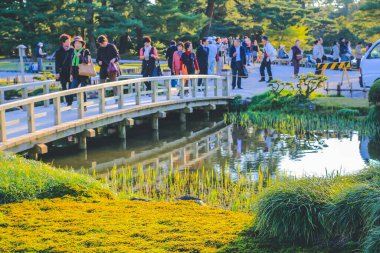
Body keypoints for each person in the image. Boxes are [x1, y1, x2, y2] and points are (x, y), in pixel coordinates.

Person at [69, 36, 91, 109]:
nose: (77, 44)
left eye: (79, 43)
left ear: (82, 44)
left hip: (84, 73)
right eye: (76, 43)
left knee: (83, 90)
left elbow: (88, 61)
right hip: (75, 74)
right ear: (74, 44)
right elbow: (72, 64)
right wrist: (71, 74)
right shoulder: (73, 52)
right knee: (72, 89)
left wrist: (81, 56)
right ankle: (71, 104)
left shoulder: (85, 51)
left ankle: (84, 106)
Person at [55, 34, 74, 105]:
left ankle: (70, 101)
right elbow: (57, 63)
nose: (69, 42)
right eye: (67, 41)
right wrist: (57, 72)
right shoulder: (58, 51)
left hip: (71, 71)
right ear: (63, 42)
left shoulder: (72, 50)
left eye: (69, 41)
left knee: (71, 87)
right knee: (64, 86)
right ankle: (68, 100)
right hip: (62, 72)